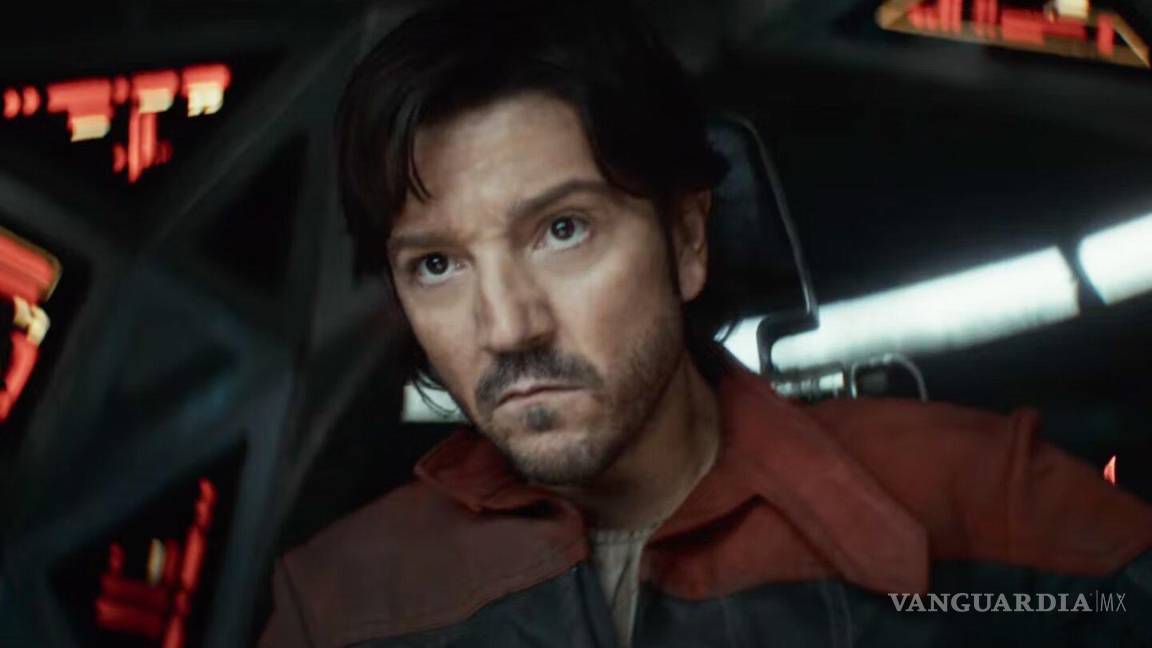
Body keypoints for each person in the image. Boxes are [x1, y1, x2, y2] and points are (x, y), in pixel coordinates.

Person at [258, 1, 1152, 645]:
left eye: (563, 230)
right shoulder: (334, 600)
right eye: (438, 264)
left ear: (686, 240)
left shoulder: (980, 496)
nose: (507, 326)